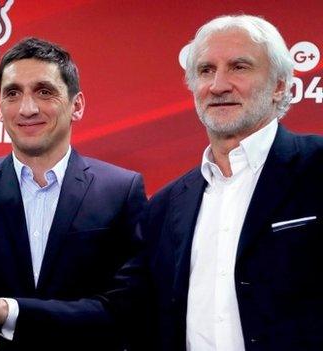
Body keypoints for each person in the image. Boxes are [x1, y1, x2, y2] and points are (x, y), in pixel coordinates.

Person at [101, 14, 323, 351]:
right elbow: (119, 309)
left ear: (280, 85)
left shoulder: (318, 166)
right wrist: (6, 310)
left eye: (239, 67)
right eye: (206, 70)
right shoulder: (166, 205)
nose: (218, 85)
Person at [0, 37, 147, 350]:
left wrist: (8, 311)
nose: (27, 108)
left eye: (44, 91)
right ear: (0, 108)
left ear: (77, 105)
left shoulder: (122, 190)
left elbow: (127, 307)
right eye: (13, 94)